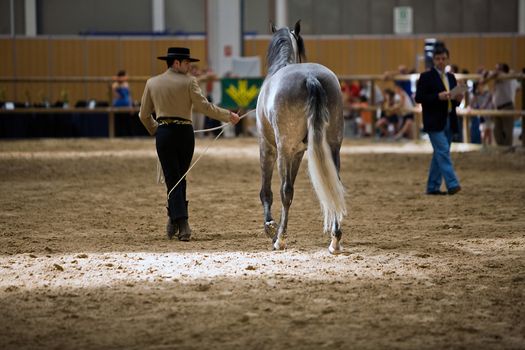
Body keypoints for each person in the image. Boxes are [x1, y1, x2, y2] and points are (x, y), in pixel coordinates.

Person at [139, 47, 240, 241]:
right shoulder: (189, 82)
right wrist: (228, 115)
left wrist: (155, 129)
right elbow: (204, 107)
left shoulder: (152, 83)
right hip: (185, 133)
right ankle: (182, 222)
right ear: (176, 63)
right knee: (179, 177)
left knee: (173, 178)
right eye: (187, 63)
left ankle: (173, 218)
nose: (190, 67)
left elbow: (143, 115)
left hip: (165, 133)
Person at [415, 46, 463, 195]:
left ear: (447, 59)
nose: (441, 61)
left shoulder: (451, 77)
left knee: (439, 154)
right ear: (433, 60)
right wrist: (437, 96)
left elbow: (454, 102)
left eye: (443, 58)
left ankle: (432, 187)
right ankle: (452, 184)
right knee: (443, 151)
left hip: (449, 119)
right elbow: (419, 98)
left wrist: (458, 99)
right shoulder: (426, 77)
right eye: (438, 59)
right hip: (433, 121)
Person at [481, 63, 521, 147]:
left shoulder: (505, 77)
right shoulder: (501, 77)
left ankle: (507, 149)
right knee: (497, 131)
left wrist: (485, 80)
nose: (496, 70)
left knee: (507, 131)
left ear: (503, 70)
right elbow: (518, 88)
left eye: (498, 68)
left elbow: (495, 74)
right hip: (498, 107)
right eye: (495, 68)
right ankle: (502, 148)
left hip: (507, 106)